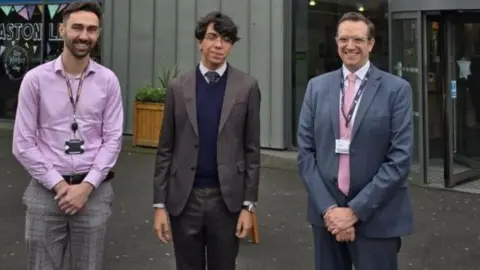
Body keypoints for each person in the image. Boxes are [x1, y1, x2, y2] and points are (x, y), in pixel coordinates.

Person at [296, 12, 414, 270]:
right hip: (326, 217)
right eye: (344, 39)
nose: (350, 46)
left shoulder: (397, 90)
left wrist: (354, 212)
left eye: (358, 39)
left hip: (377, 217)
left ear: (370, 43)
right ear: (336, 42)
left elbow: (400, 158)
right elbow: (305, 153)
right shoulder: (316, 88)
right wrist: (330, 209)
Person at [12, 2, 123, 269]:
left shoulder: (108, 81)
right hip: (46, 193)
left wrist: (86, 187)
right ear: (62, 29)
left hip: (93, 194)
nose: (84, 35)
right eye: (77, 27)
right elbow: (22, 143)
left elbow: (113, 139)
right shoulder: (35, 80)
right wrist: (61, 187)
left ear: (98, 34)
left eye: (92, 29)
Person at [152, 11, 261, 270]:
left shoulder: (247, 87)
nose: (218, 45)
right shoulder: (178, 87)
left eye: (226, 39)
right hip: (185, 199)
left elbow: (252, 151)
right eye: (212, 37)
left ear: (232, 46)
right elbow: (165, 149)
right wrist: (159, 205)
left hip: (227, 201)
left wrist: (248, 205)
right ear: (200, 41)